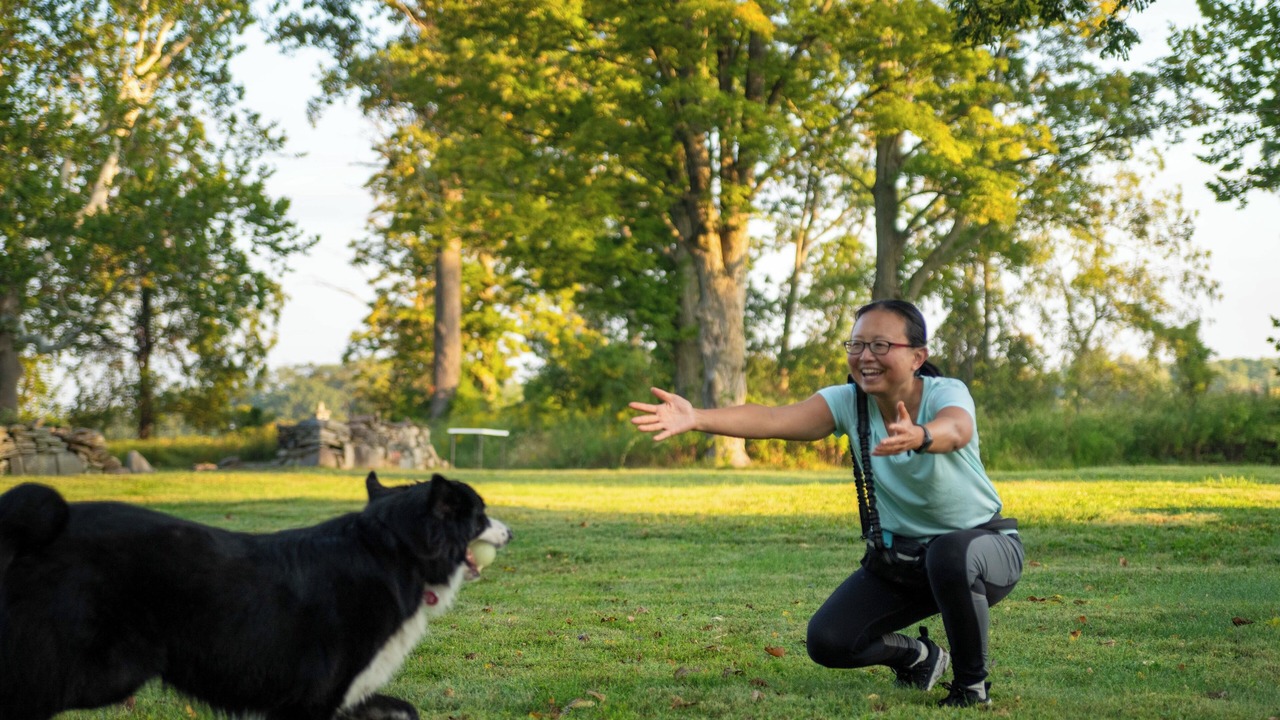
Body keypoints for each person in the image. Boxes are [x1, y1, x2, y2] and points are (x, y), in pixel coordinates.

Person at [628, 299, 1024, 708]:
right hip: (904, 562)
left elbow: (956, 428)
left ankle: (971, 688)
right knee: (829, 641)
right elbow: (771, 419)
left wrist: (921, 435)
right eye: (856, 345)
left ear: (917, 357)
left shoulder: (945, 392)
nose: (866, 356)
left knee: (949, 552)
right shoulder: (847, 402)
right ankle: (920, 657)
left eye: (881, 345)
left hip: (983, 551)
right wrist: (697, 418)